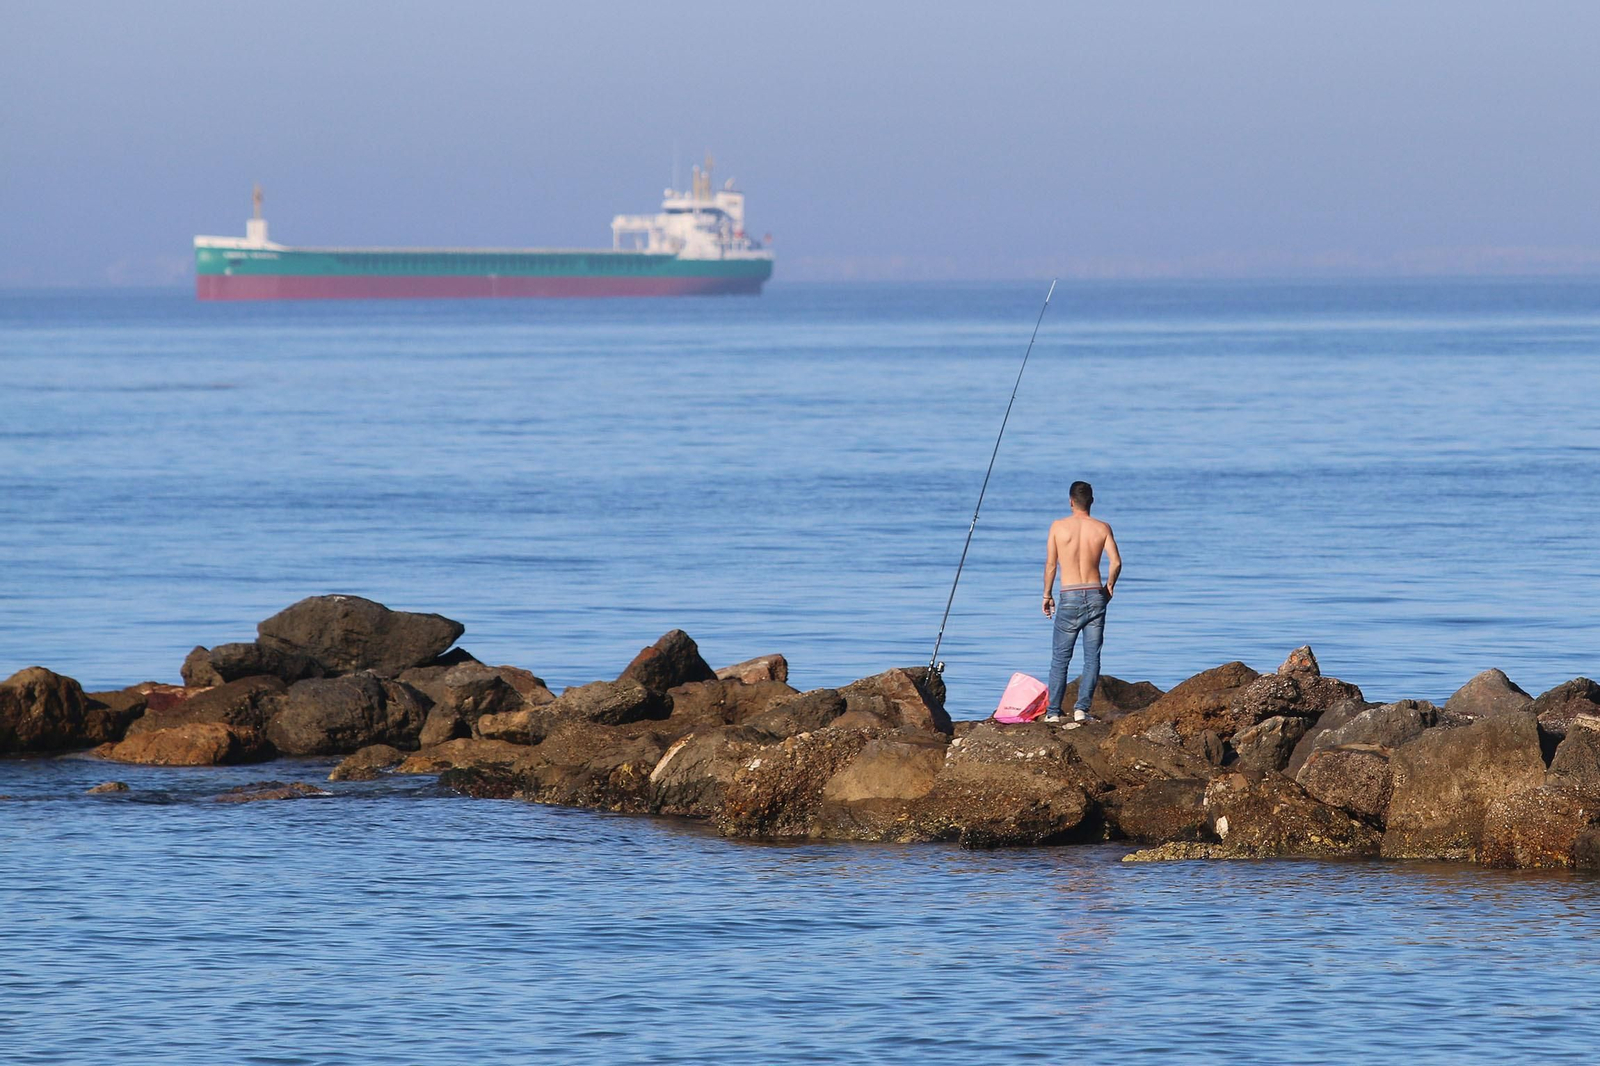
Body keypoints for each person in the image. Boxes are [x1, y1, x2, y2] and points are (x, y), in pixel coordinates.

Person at [1041, 481, 1121, 724]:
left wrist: (1047, 595)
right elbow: (1116, 562)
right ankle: (1081, 709)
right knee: (1092, 657)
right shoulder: (1102, 527)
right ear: (1091, 502)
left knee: (1060, 658)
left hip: (1070, 594)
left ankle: (1053, 712)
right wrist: (1109, 586)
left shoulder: (1058, 527)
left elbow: (1052, 565)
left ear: (1070, 501)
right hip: (1096, 594)